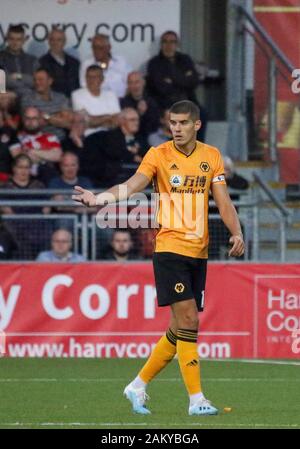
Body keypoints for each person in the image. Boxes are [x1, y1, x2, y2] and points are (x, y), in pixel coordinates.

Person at [72, 100, 244, 416]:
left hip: (199, 251)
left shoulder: (211, 157)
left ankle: (137, 385)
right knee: (190, 319)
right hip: (169, 249)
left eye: (181, 123)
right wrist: (98, 198)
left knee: (180, 328)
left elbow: (224, 202)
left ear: (196, 125)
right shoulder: (159, 155)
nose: (176, 129)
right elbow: (131, 185)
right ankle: (197, 400)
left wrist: (236, 232)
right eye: (172, 123)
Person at [70, 64, 120, 186]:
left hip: (110, 137)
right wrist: (108, 116)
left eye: (96, 77)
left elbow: (116, 121)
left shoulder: (111, 95)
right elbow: (85, 121)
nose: (92, 80)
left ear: (102, 79)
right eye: (89, 77)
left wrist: (94, 119)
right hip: (89, 139)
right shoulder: (77, 95)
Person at [12, 106, 62, 184]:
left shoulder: (51, 137)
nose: (30, 121)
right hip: (25, 178)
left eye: (34, 118)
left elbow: (57, 156)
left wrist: (32, 151)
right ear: (23, 120)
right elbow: (19, 159)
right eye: (28, 118)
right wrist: (45, 155)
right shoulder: (17, 138)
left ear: (40, 120)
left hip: (48, 177)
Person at [21, 68, 73, 141]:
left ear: (50, 81)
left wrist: (46, 117)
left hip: (61, 140)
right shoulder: (27, 99)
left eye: (40, 79)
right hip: (37, 141)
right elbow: (32, 123)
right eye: (35, 80)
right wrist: (58, 115)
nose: (37, 82)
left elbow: (68, 123)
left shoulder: (61, 98)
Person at [79, 34, 132, 98]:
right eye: (94, 47)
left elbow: (131, 83)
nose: (96, 51)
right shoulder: (87, 64)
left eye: (100, 48)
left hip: (121, 102)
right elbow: (84, 86)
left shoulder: (121, 61)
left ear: (109, 47)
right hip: (96, 102)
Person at [104, 107, 148, 184]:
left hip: (140, 177)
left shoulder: (141, 137)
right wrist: (133, 157)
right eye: (132, 120)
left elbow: (148, 152)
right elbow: (114, 154)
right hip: (119, 178)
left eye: (137, 120)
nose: (136, 123)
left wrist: (138, 151)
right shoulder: (111, 137)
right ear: (122, 121)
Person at [39, 28, 80, 98]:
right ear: (48, 41)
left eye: (59, 40)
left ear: (64, 42)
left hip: (74, 102)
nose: (55, 43)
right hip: (53, 104)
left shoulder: (75, 63)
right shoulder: (41, 62)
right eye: (52, 40)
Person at [0, 24, 39, 96]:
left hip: (30, 101)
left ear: (24, 40)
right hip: (6, 99)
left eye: (18, 39)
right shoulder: (1, 58)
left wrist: (19, 76)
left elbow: (37, 82)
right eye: (12, 39)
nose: (15, 43)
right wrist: (27, 81)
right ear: (7, 39)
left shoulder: (33, 60)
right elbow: (3, 82)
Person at [120, 71, 160, 138]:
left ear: (143, 83)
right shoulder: (124, 103)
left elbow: (155, 124)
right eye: (131, 83)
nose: (134, 86)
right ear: (128, 85)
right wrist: (139, 113)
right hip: (137, 137)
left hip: (154, 133)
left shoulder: (152, 99)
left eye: (137, 82)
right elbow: (129, 128)